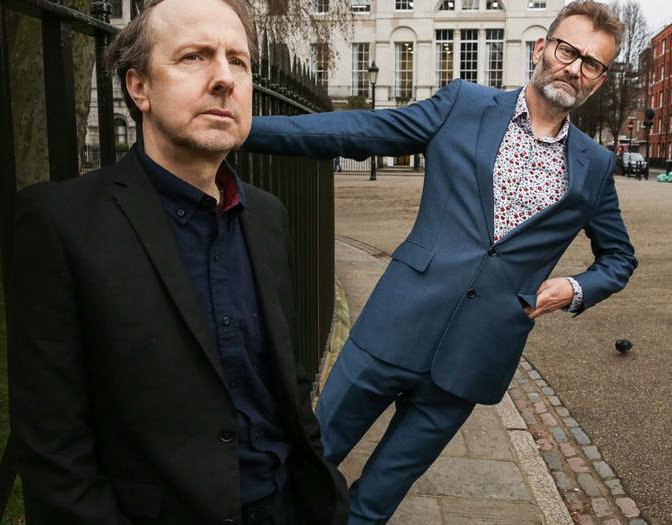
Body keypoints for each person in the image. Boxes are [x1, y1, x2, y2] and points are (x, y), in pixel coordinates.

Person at [240, 2, 637, 523]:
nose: (575, 67)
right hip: (393, 327)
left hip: (473, 360)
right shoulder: (464, 104)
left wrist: (574, 288)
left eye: (593, 63)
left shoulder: (595, 165)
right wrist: (241, 130)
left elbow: (619, 258)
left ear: (600, 80)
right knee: (308, 466)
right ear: (541, 47)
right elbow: (359, 132)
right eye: (568, 49)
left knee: (374, 503)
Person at [7, 0, 348, 523]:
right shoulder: (62, 223)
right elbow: (55, 449)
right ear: (138, 87)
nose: (224, 79)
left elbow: (286, 378)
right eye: (194, 57)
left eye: (238, 61)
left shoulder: (267, 215)